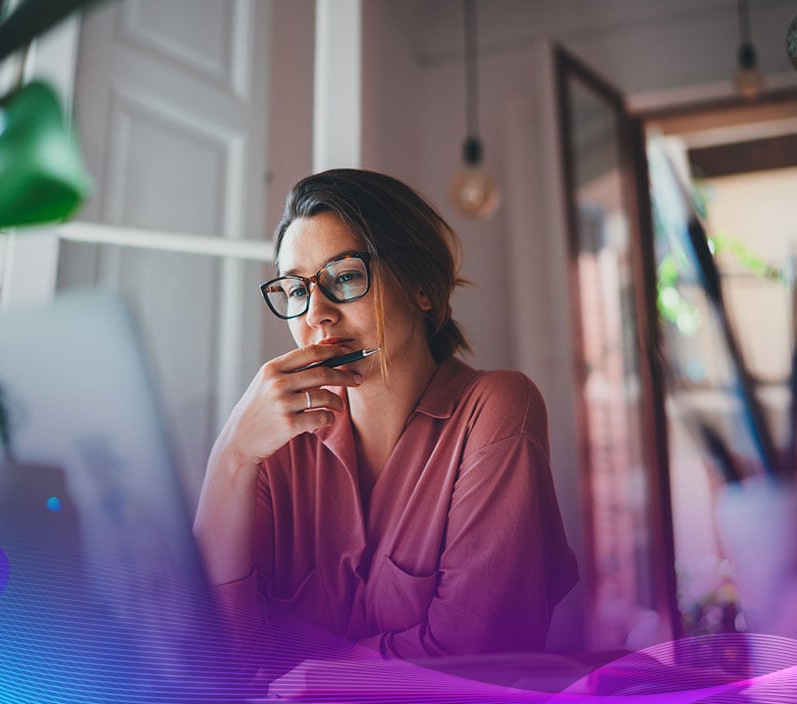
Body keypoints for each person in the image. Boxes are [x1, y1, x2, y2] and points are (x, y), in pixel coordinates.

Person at [193, 169, 578, 672]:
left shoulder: (495, 408)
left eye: (346, 276)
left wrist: (319, 677)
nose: (316, 315)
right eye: (294, 290)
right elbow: (209, 647)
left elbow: (475, 652)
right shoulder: (275, 445)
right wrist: (233, 455)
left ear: (421, 286)